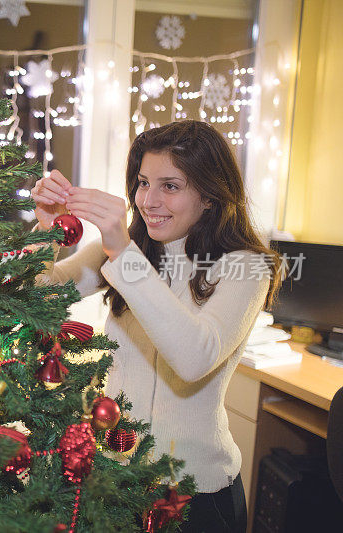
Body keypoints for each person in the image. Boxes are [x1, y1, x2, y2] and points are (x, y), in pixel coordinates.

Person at [32, 120, 281, 532]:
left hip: (196, 495)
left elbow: (193, 358)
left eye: (171, 186)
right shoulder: (125, 250)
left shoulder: (246, 266)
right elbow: (41, 295)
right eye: (143, 182)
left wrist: (120, 249)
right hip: (114, 478)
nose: (148, 200)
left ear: (209, 195)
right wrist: (46, 229)